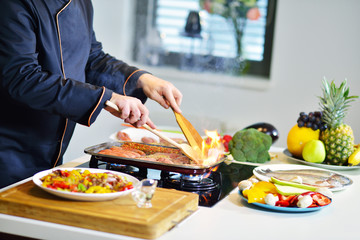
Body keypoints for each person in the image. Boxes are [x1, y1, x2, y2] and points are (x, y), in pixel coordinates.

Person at [0, 0, 183, 188]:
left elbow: (90, 58)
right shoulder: (13, 4)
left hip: (49, 150)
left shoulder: (80, 2)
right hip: (9, 154)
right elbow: (22, 78)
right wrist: (106, 98)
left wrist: (143, 80)